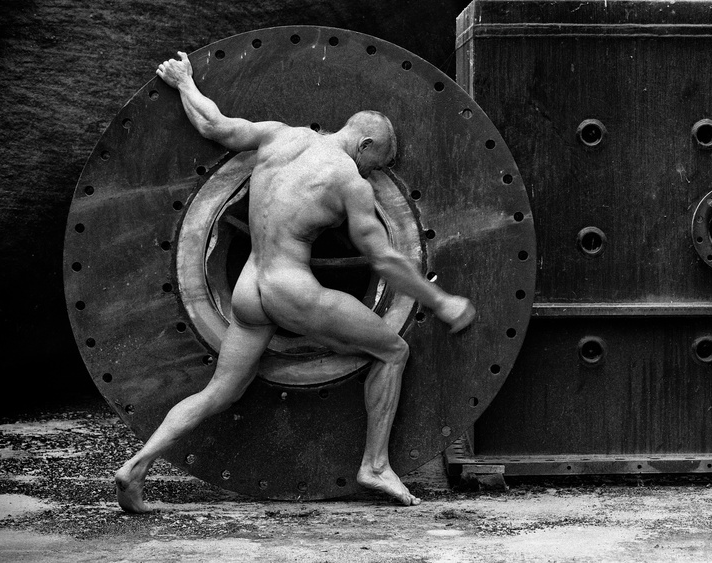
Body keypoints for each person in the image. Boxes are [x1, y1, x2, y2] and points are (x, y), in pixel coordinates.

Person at [114, 52, 476, 513]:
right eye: (375, 164)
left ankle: (136, 466)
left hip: (249, 289)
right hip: (291, 290)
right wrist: (441, 301)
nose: (371, 173)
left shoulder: (279, 136)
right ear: (364, 144)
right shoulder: (349, 181)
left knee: (220, 391)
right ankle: (375, 465)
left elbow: (214, 125)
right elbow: (383, 259)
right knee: (393, 351)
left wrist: (184, 82)